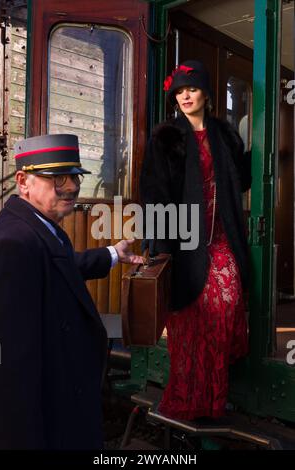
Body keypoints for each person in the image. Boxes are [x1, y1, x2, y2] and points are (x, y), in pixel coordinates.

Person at [0, 133, 144, 449]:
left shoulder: (38, 229)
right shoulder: (13, 243)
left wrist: (113, 253)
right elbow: (11, 369)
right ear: (23, 181)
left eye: (76, 176)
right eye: (58, 178)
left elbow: (62, 266)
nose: (72, 187)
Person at [140, 60, 251, 421]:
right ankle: (191, 402)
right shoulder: (165, 138)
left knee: (226, 306)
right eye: (179, 91)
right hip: (183, 243)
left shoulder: (226, 135)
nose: (185, 96)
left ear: (206, 93)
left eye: (192, 89)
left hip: (221, 238)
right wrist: (159, 248)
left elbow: (241, 181)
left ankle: (214, 397)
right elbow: (154, 194)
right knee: (189, 323)